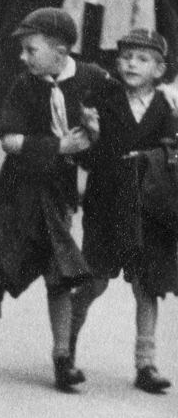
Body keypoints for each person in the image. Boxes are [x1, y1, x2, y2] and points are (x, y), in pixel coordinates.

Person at [0, 7, 118, 388]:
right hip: (19, 192)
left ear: (61, 52)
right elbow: (10, 140)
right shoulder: (23, 85)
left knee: (60, 271)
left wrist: (98, 137)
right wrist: (59, 145)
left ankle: (62, 359)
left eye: (31, 49)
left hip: (60, 194)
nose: (23, 57)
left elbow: (111, 131)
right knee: (3, 264)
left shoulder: (93, 80)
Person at [69, 30, 178, 392]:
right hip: (106, 204)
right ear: (117, 64)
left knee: (147, 285)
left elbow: (172, 157)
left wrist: (154, 160)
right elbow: (83, 156)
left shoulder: (166, 110)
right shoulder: (102, 100)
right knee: (94, 280)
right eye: (127, 57)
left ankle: (146, 364)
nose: (132, 63)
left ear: (160, 69)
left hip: (148, 210)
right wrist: (94, 137)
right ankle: (66, 347)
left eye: (143, 59)